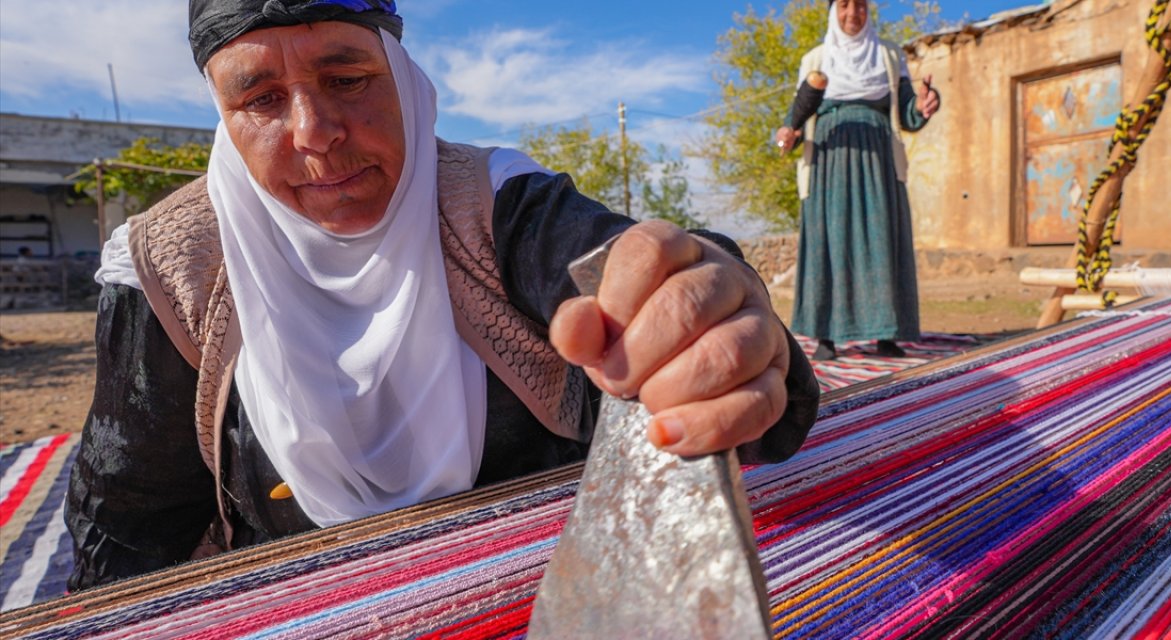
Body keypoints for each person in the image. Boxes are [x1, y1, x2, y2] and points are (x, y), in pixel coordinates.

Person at [64, 0, 820, 590]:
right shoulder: (170, 266)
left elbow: (621, 271)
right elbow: (129, 526)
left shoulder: (492, 201)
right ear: (223, 118)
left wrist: (701, 311)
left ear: (403, 79)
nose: (315, 132)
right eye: (260, 98)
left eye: (348, 79)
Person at [775, 0, 940, 360]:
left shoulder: (889, 55)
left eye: (861, 4)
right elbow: (798, 116)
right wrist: (789, 133)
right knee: (830, 239)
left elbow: (908, 112)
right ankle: (826, 335)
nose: (853, 13)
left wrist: (923, 105)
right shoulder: (815, 59)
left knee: (881, 236)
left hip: (879, 158)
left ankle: (886, 332)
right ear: (832, 11)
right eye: (845, 5)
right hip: (829, 159)